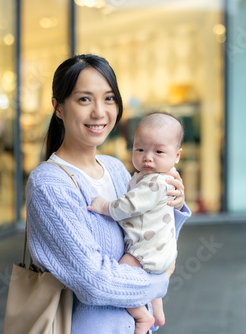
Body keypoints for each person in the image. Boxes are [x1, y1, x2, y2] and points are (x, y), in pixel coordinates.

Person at [25, 54, 191, 334]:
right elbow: (95, 282)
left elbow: (150, 238)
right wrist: (160, 282)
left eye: (109, 98)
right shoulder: (49, 184)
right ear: (58, 108)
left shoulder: (116, 168)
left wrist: (173, 204)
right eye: (84, 99)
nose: (99, 112)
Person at [87, 111, 185, 334]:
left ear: (177, 155)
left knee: (121, 278)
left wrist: (104, 206)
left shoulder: (155, 182)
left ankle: (142, 317)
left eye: (158, 151)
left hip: (146, 251)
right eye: (139, 149)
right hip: (163, 251)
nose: (147, 157)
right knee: (147, 281)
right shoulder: (162, 174)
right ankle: (157, 311)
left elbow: (128, 205)